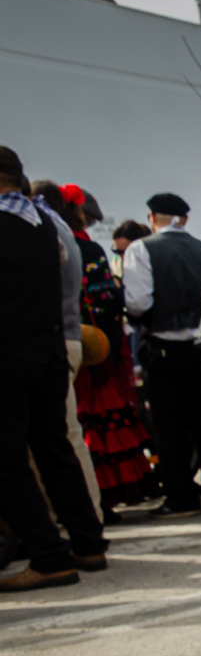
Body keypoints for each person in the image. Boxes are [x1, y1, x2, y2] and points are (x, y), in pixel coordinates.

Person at [0, 147, 107, 591]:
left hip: (6, 353)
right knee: (55, 447)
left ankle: (48, 555)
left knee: (7, 459)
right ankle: (88, 543)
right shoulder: (48, 223)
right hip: (49, 350)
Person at [122, 191, 201, 517]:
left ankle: (181, 498)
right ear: (185, 219)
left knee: (169, 426)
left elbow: (138, 302)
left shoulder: (141, 249)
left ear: (152, 217)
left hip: (165, 348)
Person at [70, 200, 156, 521]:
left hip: (91, 356)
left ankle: (101, 498)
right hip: (97, 350)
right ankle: (110, 493)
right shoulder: (87, 249)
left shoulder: (80, 248)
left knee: (87, 421)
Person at [28, 181, 105, 518]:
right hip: (70, 338)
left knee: (52, 440)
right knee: (67, 435)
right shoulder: (63, 230)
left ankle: (72, 523)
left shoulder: (40, 228)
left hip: (49, 341)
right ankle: (87, 519)